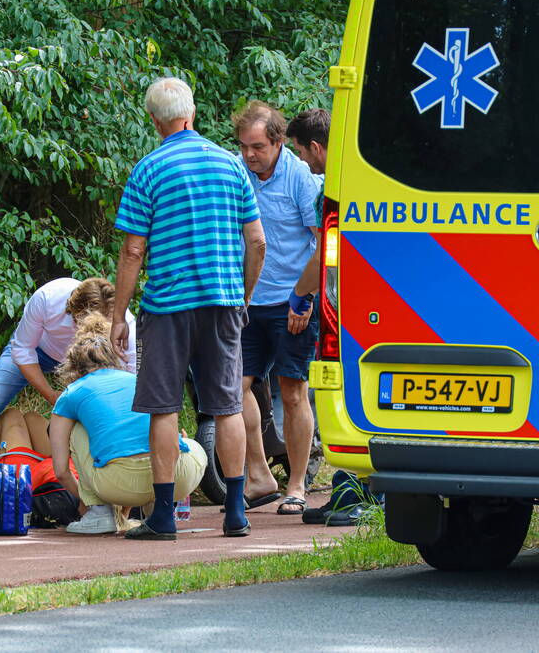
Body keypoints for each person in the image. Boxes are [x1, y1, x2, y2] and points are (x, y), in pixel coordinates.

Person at [110, 77, 268, 540]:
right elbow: (257, 241)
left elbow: (133, 250)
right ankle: (235, 511)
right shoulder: (231, 165)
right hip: (222, 303)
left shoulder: (148, 170)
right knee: (227, 405)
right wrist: (243, 295)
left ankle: (163, 516)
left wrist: (119, 315)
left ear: (154, 120)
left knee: (163, 409)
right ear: (191, 113)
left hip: (168, 307)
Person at [285, 107, 385, 526]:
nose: (302, 161)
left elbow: (324, 254)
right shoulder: (366, 177)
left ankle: (361, 490)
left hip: (348, 305)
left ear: (316, 147)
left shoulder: (336, 189)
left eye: (301, 152)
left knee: (350, 391)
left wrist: (299, 294)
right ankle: (350, 486)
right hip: (367, 302)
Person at [231, 101, 323, 516]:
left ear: (278, 142)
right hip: (249, 300)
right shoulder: (238, 172)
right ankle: (259, 476)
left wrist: (305, 296)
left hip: (292, 302)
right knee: (235, 387)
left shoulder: (300, 176)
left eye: (257, 147)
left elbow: (323, 242)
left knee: (292, 391)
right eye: (244, 146)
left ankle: (297, 485)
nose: (249, 154)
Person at [48, 313, 208, 534]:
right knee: (187, 443)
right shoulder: (139, 380)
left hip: (120, 484)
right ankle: (159, 509)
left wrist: (89, 499)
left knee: (77, 429)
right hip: (179, 476)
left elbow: (61, 471)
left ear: (73, 368)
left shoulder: (71, 393)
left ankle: (99, 513)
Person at [0, 277, 136, 454]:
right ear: (73, 312)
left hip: (88, 359)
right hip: (37, 348)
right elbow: (23, 349)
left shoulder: (126, 325)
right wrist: (51, 395)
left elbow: (130, 381)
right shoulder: (48, 297)